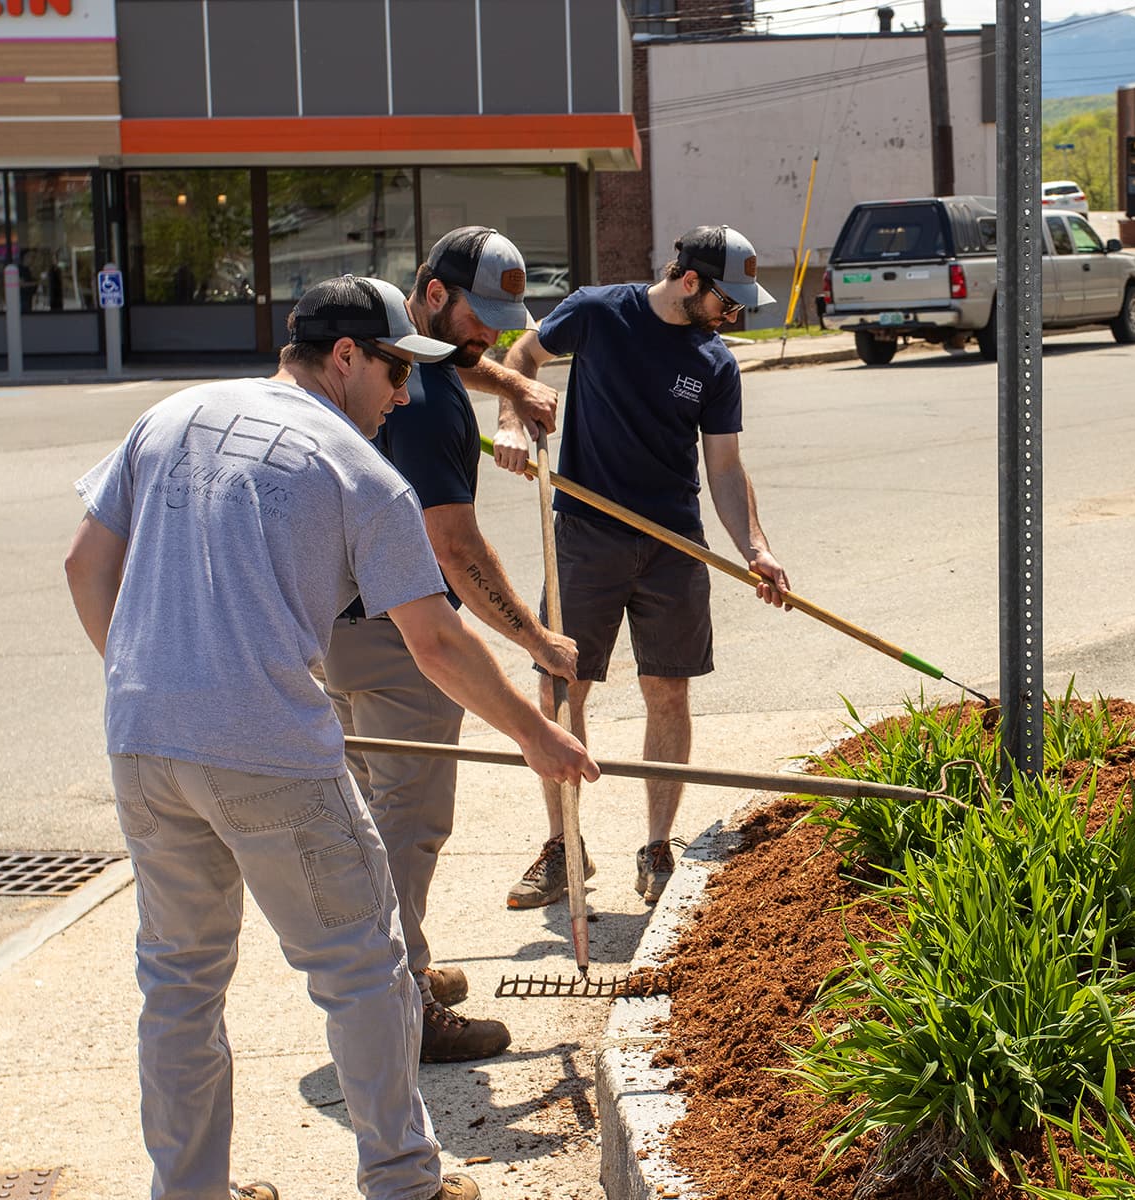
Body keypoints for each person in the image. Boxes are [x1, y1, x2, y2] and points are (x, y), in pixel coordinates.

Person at [64, 274, 596, 1200]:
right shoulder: (360, 471)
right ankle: (404, 1182)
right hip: (269, 749)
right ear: (344, 357)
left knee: (180, 983)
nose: (405, 394)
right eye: (395, 371)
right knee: (365, 967)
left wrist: (153, 684)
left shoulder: (173, 415)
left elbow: (84, 566)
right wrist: (535, 738)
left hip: (142, 740)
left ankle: (188, 1190)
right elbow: (433, 639)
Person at [321, 228, 575, 1063]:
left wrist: (511, 386)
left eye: (507, 320)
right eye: (481, 316)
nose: (495, 335)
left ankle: (394, 970)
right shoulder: (423, 405)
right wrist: (537, 641)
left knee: (365, 815)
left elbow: (461, 360)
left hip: (329, 629)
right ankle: (401, 1003)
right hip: (395, 637)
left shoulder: (398, 356)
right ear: (433, 297)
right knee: (407, 821)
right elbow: (455, 554)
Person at [495, 224, 788, 908]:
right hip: (586, 534)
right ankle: (565, 845)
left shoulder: (715, 361)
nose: (734, 313)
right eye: (728, 299)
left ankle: (657, 847)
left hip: (673, 545)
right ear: (691, 281)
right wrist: (513, 419)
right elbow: (522, 354)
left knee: (669, 691)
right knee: (561, 689)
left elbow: (724, 466)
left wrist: (756, 548)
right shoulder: (598, 312)